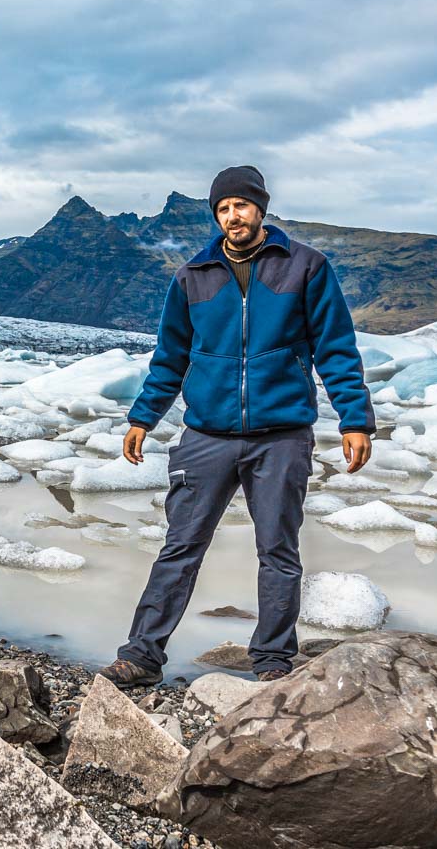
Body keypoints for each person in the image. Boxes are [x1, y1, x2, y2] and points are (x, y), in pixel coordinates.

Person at [101, 165, 375, 686]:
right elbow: (171, 357)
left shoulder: (305, 267)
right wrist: (143, 416)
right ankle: (141, 655)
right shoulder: (193, 276)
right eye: (223, 208)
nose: (233, 216)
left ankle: (272, 661)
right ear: (216, 215)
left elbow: (336, 349)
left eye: (241, 206)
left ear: (260, 209)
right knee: (180, 547)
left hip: (281, 435)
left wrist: (354, 419)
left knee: (278, 550)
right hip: (207, 436)